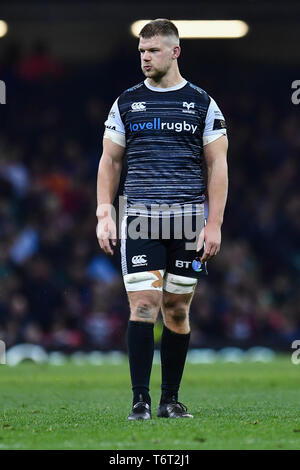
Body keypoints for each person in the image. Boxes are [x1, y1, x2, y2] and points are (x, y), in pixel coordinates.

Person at [96, 19, 228, 420]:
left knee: (175, 309)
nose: (144, 58)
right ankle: (140, 401)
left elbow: (218, 164)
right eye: (141, 52)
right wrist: (105, 210)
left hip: (188, 221)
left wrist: (214, 223)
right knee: (144, 306)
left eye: (152, 51)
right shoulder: (127, 103)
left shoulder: (203, 103)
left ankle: (170, 400)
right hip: (139, 218)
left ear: (175, 52)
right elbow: (110, 160)